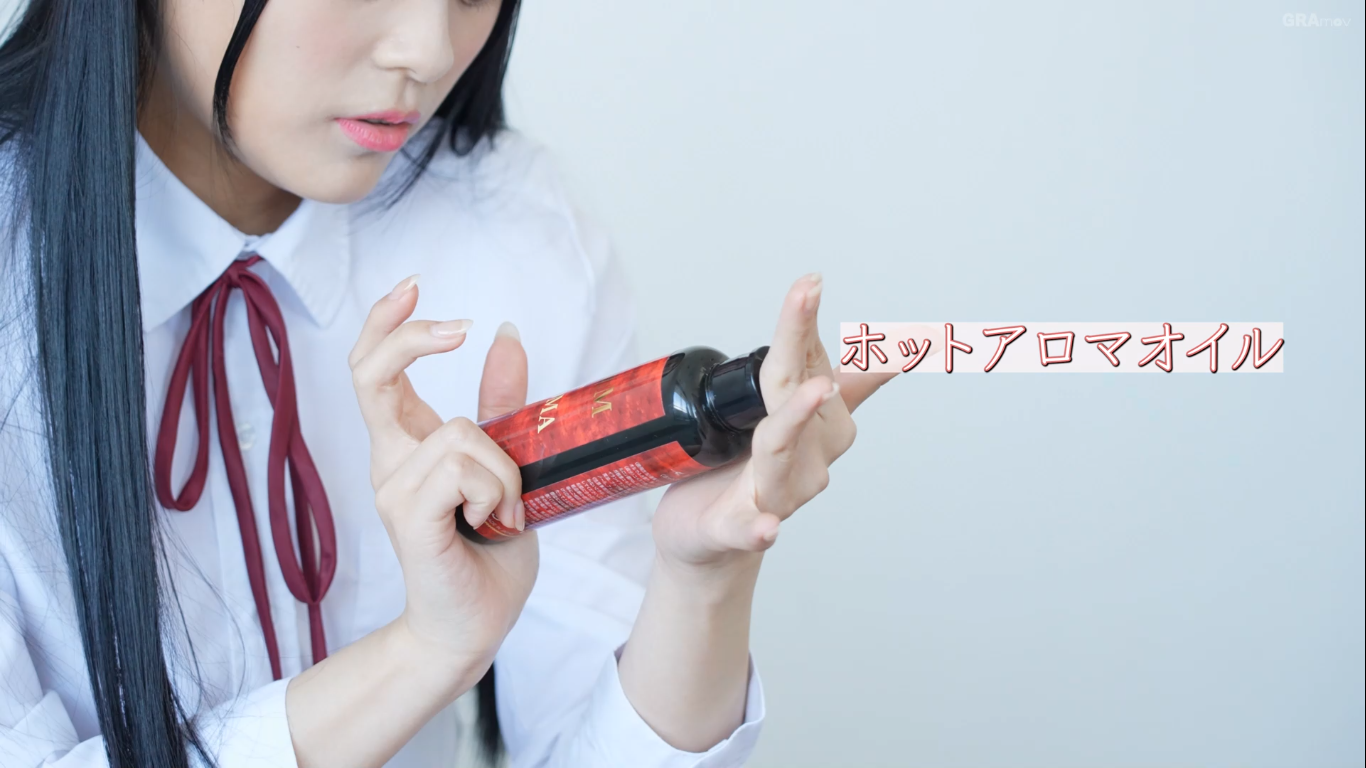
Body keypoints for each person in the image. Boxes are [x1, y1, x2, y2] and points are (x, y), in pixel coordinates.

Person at [0, 1, 895, 766]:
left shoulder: (511, 230)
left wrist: (703, 575)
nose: (428, 52)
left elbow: (576, 739)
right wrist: (421, 655)